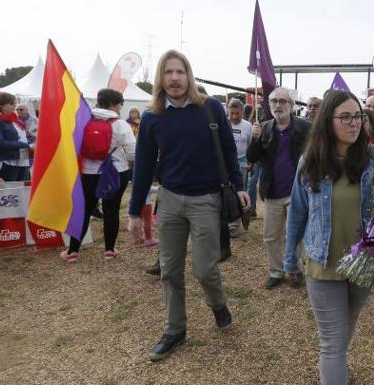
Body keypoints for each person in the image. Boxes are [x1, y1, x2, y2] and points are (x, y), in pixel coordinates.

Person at [128, 50, 249, 361]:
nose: (174, 78)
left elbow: (227, 148)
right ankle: (175, 328)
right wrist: (133, 212)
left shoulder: (209, 108)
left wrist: (240, 187)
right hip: (168, 201)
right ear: (161, 78)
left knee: (204, 268)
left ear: (188, 75)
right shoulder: (153, 116)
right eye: (168, 72)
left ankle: (218, 303)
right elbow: (142, 165)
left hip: (207, 200)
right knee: (169, 270)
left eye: (179, 72)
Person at [284, 90, 374, 385]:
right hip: (323, 263)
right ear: (328, 121)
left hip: (363, 263)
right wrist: (289, 258)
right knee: (333, 343)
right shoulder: (310, 162)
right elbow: (297, 213)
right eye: (345, 117)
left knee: (343, 334)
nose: (353, 123)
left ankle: (332, 367)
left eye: (358, 116)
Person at [59, 88, 136, 263]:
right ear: (113, 104)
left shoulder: (84, 119)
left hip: (88, 172)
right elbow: (133, 154)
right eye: (120, 104)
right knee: (112, 210)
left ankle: (72, 252)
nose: (120, 108)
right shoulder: (121, 124)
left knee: (85, 210)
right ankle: (109, 251)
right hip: (116, 171)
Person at [246, 86, 310, 289]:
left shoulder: (305, 127)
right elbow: (252, 158)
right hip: (272, 191)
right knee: (271, 236)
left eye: (282, 101)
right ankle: (276, 271)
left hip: (297, 192)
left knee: (295, 234)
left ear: (291, 105)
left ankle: (295, 268)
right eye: (274, 101)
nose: (278, 105)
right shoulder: (263, 128)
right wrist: (254, 140)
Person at [0, 92, 33, 181]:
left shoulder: (12, 119)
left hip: (21, 160)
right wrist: (26, 145)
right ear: (1, 105)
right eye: (11, 103)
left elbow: (21, 137)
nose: (14, 106)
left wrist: (31, 144)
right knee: (8, 192)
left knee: (21, 192)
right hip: (6, 162)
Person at [227, 98, 252, 238]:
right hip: (225, 162)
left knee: (239, 192)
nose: (235, 116)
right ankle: (229, 222)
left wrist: (252, 162)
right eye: (232, 113)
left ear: (242, 112)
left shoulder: (248, 126)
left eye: (238, 113)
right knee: (226, 191)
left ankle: (235, 224)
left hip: (242, 161)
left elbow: (250, 144)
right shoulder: (223, 123)